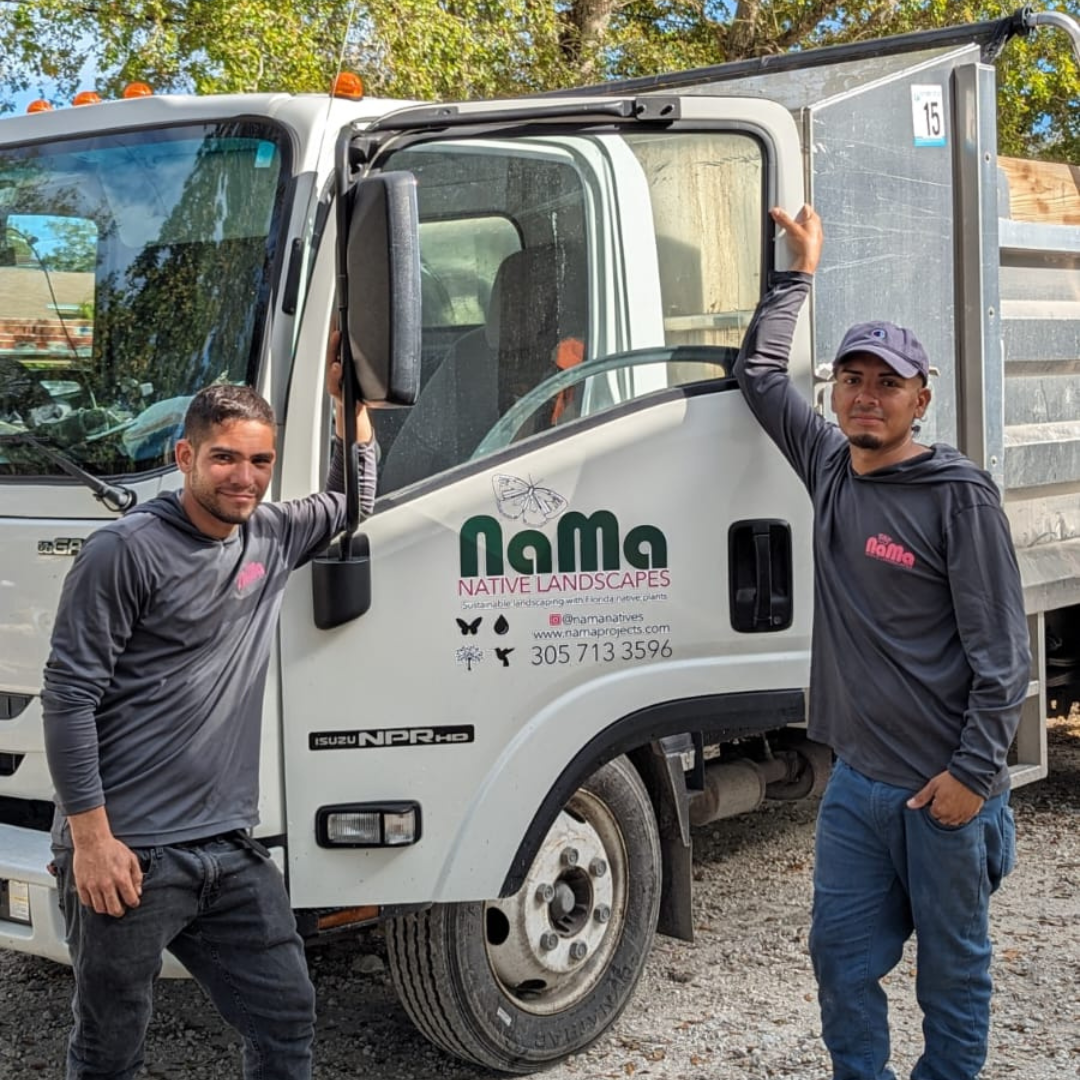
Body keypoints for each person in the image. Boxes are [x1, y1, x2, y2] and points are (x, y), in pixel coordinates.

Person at [734, 205, 1030, 1080]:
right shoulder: (830, 466)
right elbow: (755, 377)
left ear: (920, 396)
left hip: (941, 793)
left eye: (888, 383)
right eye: (852, 379)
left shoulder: (956, 497)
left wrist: (971, 781)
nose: (867, 395)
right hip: (857, 786)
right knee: (840, 959)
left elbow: (1003, 658)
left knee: (952, 974)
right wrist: (799, 272)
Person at [41, 333, 375, 1080]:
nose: (245, 477)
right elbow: (67, 699)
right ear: (186, 457)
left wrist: (346, 399)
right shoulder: (123, 552)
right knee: (109, 1048)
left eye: (260, 461)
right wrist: (92, 842)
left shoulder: (270, 534)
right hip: (129, 854)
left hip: (227, 849)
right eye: (225, 457)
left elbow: (356, 496)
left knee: (286, 1016)